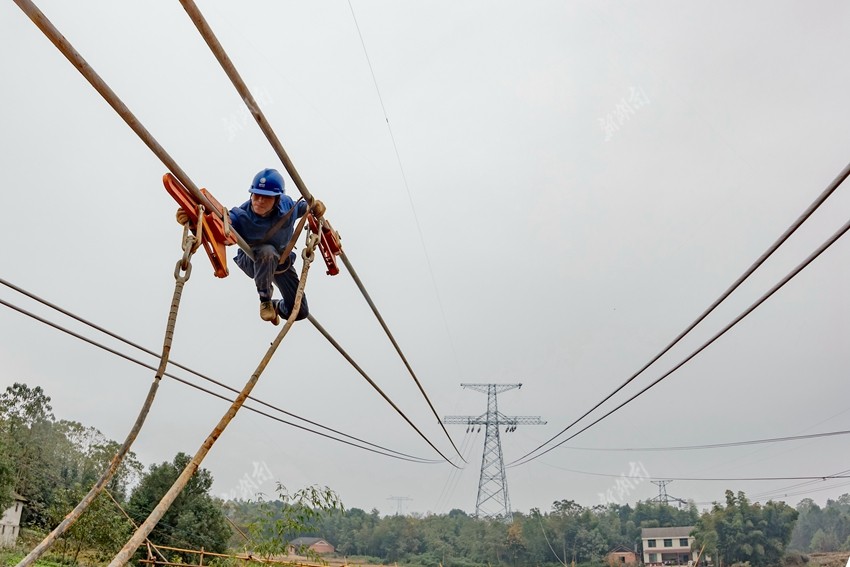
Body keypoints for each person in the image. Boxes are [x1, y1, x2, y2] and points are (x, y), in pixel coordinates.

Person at [177, 168, 325, 325]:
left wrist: (315, 207)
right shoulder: (241, 216)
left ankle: (276, 306)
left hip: (280, 263)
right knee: (267, 252)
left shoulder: (287, 206)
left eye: (266, 197)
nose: (259, 200)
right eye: (256, 195)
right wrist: (194, 221)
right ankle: (265, 300)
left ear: (277, 199)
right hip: (253, 260)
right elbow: (217, 229)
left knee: (300, 311)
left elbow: (304, 207)